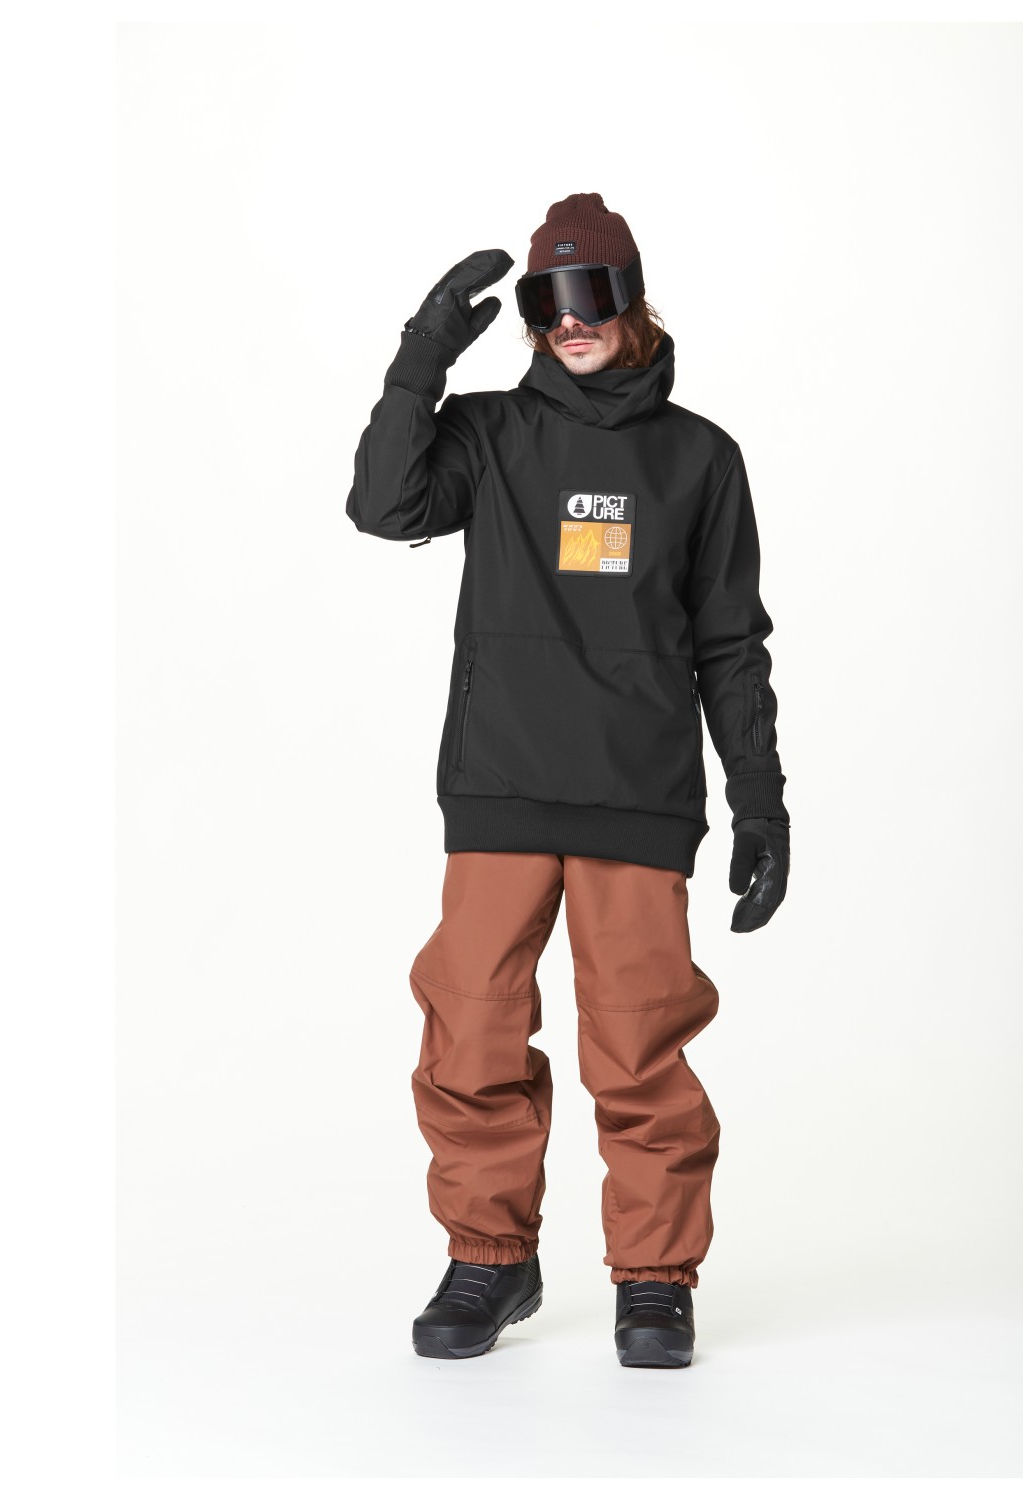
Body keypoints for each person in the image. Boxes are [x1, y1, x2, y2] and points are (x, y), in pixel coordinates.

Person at [346, 193, 791, 1368]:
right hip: (500, 786)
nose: (569, 321)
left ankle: (654, 1278)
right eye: (547, 301)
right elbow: (381, 504)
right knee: (471, 1033)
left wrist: (759, 797)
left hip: (635, 797)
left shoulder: (700, 459)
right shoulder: (489, 435)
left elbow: (731, 643)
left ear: (633, 302)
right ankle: (490, 1258)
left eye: (591, 294)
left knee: (639, 1046)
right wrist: (422, 356)